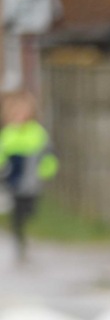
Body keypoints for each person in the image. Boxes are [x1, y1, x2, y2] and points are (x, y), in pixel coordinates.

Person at [1, 93, 57, 264]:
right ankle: (20, 241)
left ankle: (29, 234)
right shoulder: (8, 134)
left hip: (32, 182)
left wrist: (47, 171)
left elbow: (48, 155)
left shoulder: (38, 133)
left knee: (30, 210)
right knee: (17, 214)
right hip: (14, 182)